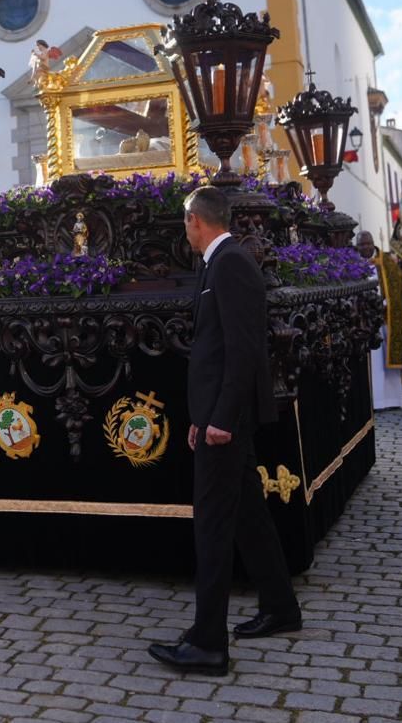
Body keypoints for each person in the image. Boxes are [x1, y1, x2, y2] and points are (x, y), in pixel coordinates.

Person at [148, 187, 300, 677]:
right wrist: (203, 416)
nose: (184, 230)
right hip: (217, 414)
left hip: (226, 421)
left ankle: (208, 643)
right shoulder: (217, 263)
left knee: (212, 527)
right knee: (248, 516)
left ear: (195, 220)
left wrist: (221, 419)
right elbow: (215, 350)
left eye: (184, 222)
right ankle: (280, 606)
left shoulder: (230, 263)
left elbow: (242, 350)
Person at [356, 230, 402, 411]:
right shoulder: (351, 264)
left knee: (388, 362)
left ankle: (392, 399)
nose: (365, 247)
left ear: (373, 243)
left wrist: (388, 303)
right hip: (363, 321)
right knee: (371, 362)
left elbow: (400, 287)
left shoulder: (387, 262)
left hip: (385, 319)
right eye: (361, 244)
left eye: (368, 243)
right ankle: (373, 400)